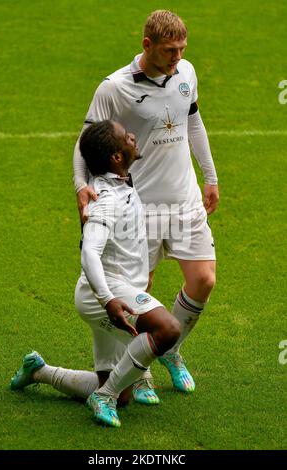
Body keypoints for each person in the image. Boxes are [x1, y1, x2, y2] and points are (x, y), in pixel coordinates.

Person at [73, 10, 219, 395]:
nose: (177, 56)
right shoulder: (115, 87)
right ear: (147, 45)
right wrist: (80, 185)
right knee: (142, 289)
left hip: (185, 198)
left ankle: (171, 351)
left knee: (203, 279)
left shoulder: (185, 72)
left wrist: (210, 176)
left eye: (182, 49)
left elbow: (193, 122)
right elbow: (84, 141)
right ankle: (139, 373)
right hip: (143, 205)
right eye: (170, 50)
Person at [11, 120, 181, 428]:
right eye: (125, 137)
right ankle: (104, 397)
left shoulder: (121, 177)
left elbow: (83, 141)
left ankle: (39, 371)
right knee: (166, 330)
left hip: (115, 290)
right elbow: (89, 251)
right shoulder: (105, 200)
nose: (132, 136)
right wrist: (108, 300)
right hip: (103, 294)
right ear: (116, 157)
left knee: (121, 393)